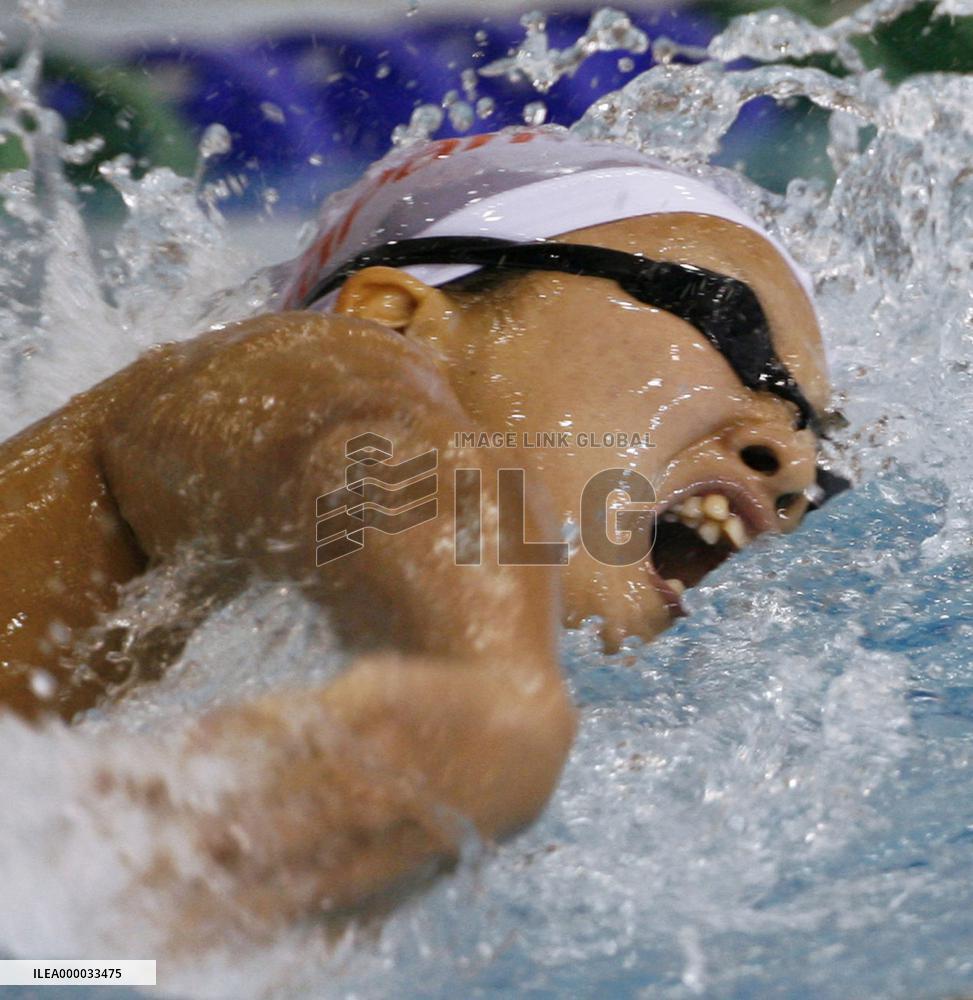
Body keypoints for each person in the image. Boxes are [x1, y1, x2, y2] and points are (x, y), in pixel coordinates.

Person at [0, 127, 840, 929]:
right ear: (393, 315)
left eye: (819, 441)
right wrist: (475, 688)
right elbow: (332, 413)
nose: (793, 460)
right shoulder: (256, 380)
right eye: (735, 333)